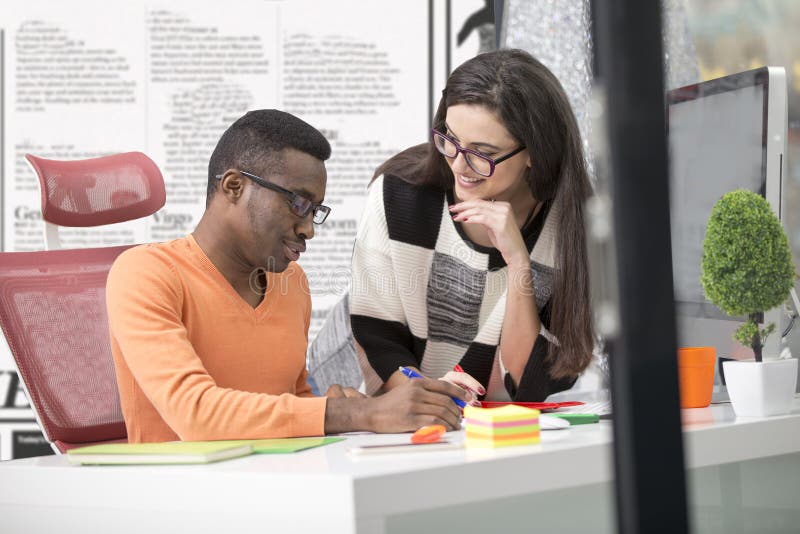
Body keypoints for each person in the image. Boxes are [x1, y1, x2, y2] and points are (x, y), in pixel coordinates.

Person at [107, 109, 467, 443]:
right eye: (298, 203)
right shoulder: (145, 273)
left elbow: (294, 404)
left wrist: (334, 405)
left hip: (277, 485)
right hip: (178, 495)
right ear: (234, 186)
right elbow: (195, 415)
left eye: (316, 210)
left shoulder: (290, 284)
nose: (309, 229)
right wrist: (354, 412)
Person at [349, 49, 595, 401]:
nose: (459, 166)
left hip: (510, 432)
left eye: (482, 153)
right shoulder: (399, 194)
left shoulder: (574, 222)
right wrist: (432, 396)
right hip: (406, 418)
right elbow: (378, 340)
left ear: (534, 153)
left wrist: (518, 264)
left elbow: (533, 381)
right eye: (449, 140)